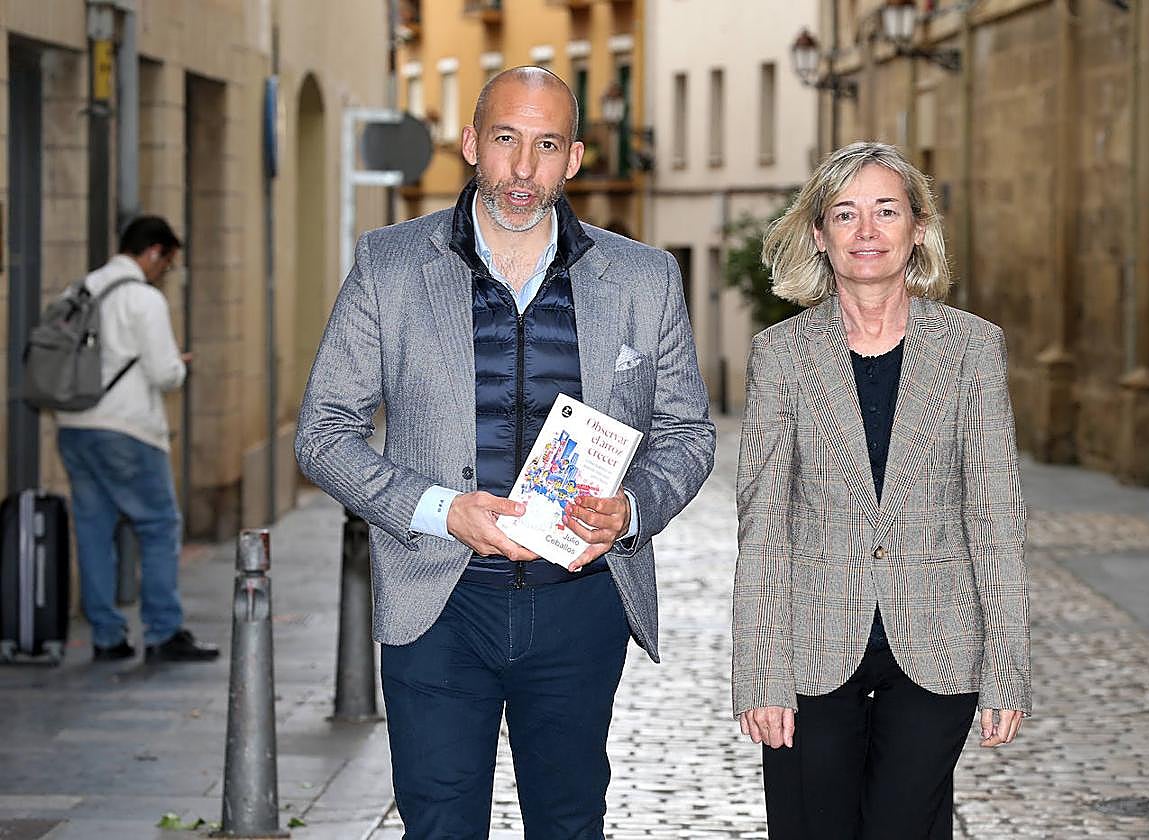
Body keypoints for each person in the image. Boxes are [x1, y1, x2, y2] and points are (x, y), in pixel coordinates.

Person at [295, 67, 714, 838]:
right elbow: (323, 431)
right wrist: (439, 510)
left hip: (581, 602)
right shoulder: (389, 267)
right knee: (441, 826)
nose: (524, 169)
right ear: (470, 145)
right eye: (506, 140)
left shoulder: (644, 278)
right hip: (440, 605)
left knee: (569, 824)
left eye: (546, 145)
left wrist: (630, 510)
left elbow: (688, 434)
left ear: (575, 157)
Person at [732, 141, 1030, 839]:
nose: (867, 232)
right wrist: (759, 672)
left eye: (886, 211)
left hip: (937, 643)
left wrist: (1007, 668)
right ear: (819, 234)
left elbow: (996, 518)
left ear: (918, 227)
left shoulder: (972, 350)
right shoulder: (781, 355)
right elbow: (764, 524)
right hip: (810, 644)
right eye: (845, 214)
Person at [56, 215, 219, 664]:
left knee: (92, 530)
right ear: (154, 252)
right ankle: (164, 631)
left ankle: (107, 637)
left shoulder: (81, 288)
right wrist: (181, 363)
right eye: (166, 264)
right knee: (160, 525)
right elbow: (165, 373)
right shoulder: (142, 300)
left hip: (75, 428)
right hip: (127, 431)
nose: (163, 272)